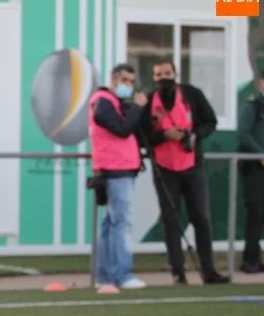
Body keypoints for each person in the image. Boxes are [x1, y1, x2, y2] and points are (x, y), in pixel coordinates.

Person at [140, 59, 230, 285]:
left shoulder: (192, 94)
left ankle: (209, 271)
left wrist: (193, 136)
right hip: (164, 169)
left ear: (176, 73)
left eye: (167, 73)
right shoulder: (149, 101)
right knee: (171, 220)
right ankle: (178, 273)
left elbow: (211, 122)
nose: (164, 78)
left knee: (201, 217)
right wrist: (163, 136)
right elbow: (142, 137)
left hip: (193, 166)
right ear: (154, 78)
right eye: (159, 74)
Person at [88, 63, 149, 291]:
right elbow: (122, 129)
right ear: (113, 79)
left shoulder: (109, 102)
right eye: (125, 81)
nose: (129, 86)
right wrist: (137, 108)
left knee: (111, 225)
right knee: (121, 224)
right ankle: (122, 275)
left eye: (132, 82)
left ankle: (104, 276)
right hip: (115, 169)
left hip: (117, 168)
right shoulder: (103, 102)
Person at [237, 68, 264, 273]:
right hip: (254, 167)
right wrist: (261, 155)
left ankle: (255, 257)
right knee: (255, 212)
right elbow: (244, 134)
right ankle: (249, 260)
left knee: (263, 213)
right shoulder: (252, 106)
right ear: (262, 84)